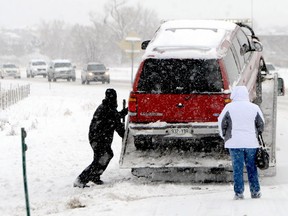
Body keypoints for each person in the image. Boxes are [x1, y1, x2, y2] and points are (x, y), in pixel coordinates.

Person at [218, 86, 265, 200]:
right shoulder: (254, 107)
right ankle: (255, 191)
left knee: (237, 168)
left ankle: (239, 193)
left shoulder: (229, 107)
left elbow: (221, 123)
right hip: (251, 143)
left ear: (234, 94)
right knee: (252, 167)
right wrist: (255, 133)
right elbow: (261, 124)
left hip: (235, 143)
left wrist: (224, 136)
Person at [74, 88, 128, 188]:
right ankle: (81, 179)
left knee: (102, 156)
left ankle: (95, 176)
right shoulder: (110, 111)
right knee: (102, 157)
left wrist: (122, 113)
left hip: (95, 137)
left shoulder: (104, 106)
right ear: (115, 98)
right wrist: (127, 137)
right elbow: (119, 128)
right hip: (100, 139)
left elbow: (113, 117)